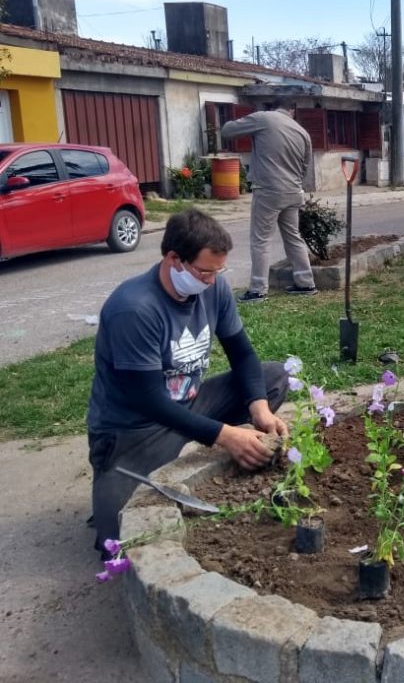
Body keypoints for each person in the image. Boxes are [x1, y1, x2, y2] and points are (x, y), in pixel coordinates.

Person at [86, 209, 289, 557]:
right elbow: (149, 400)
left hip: (188, 402)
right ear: (174, 260)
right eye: (205, 271)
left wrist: (258, 407)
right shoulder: (134, 309)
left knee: (272, 378)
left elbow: (241, 353)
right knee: (117, 545)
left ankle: (201, 439)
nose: (212, 281)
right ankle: (121, 472)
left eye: (218, 271)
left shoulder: (213, 287)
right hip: (135, 428)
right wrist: (225, 435)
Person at [221, 99, 318, 303]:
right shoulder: (302, 132)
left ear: (273, 106)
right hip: (293, 190)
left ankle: (257, 289)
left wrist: (250, 122)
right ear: (292, 109)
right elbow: (306, 166)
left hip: (268, 191)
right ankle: (306, 283)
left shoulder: (263, 118)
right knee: (293, 237)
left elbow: (227, 130)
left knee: (260, 240)